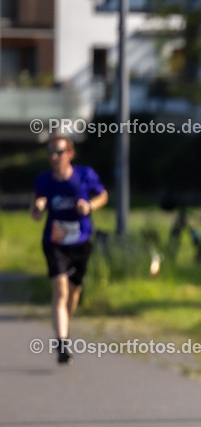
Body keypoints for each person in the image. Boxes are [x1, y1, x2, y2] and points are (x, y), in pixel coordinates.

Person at [31, 135, 108, 365]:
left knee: (74, 292)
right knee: (61, 289)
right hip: (54, 242)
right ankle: (62, 343)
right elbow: (35, 215)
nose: (54, 157)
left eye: (59, 152)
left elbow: (103, 195)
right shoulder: (43, 181)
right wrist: (37, 207)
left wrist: (89, 206)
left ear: (70, 154)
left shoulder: (85, 175)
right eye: (51, 153)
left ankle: (65, 325)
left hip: (81, 240)